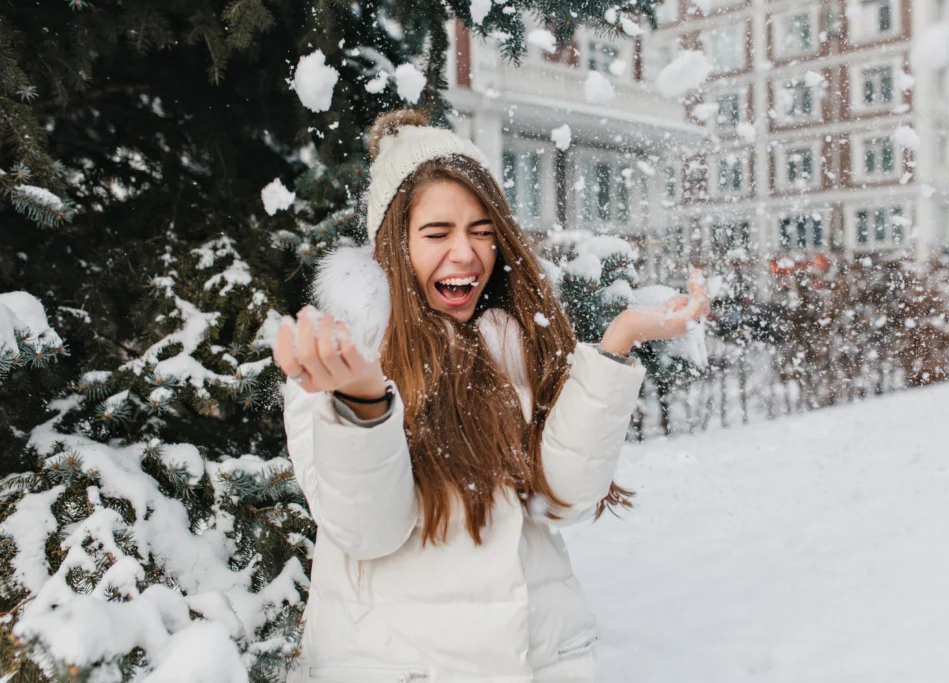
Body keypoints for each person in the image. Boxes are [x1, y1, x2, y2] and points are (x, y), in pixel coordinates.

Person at [272, 109, 709, 683]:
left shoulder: (514, 343)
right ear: (392, 246)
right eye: (437, 233)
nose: (466, 253)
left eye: (482, 231)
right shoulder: (338, 360)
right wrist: (363, 404)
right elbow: (367, 531)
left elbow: (566, 499)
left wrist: (617, 343)